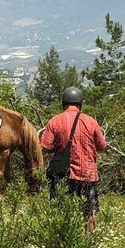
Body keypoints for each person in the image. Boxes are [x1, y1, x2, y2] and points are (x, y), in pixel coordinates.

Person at [40, 86, 108, 232]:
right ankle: (89, 241)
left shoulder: (54, 121)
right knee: (90, 210)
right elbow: (102, 146)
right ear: (80, 104)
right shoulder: (91, 122)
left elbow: (45, 146)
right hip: (88, 174)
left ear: (63, 103)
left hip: (63, 174)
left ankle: (63, 239)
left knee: (60, 208)